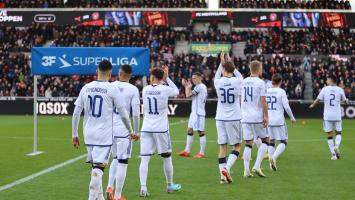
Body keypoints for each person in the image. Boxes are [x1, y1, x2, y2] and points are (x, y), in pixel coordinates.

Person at [71, 60, 133, 200]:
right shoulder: (112, 89)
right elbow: (123, 113)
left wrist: (74, 134)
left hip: (88, 134)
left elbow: (76, 113)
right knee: (98, 169)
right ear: (111, 73)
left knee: (95, 168)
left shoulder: (86, 87)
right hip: (103, 135)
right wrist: (130, 130)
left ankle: (100, 198)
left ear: (96, 71)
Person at [139, 66, 181, 197]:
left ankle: (143, 188)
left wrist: (162, 78)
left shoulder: (145, 90)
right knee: (166, 158)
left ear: (152, 77)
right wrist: (167, 78)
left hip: (146, 127)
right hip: (161, 128)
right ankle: (169, 186)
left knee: (144, 159)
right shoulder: (165, 89)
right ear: (161, 77)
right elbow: (177, 91)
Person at [106, 64, 140, 200]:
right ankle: (118, 195)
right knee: (123, 161)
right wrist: (135, 131)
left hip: (109, 128)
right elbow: (136, 114)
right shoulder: (133, 89)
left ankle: (109, 186)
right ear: (130, 75)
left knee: (115, 158)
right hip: (124, 129)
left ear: (119, 73)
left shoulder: (111, 86)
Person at [214, 52, 243, 184]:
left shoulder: (218, 82)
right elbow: (239, 75)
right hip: (234, 117)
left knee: (222, 148)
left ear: (223, 69)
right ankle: (227, 168)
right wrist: (229, 63)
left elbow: (217, 74)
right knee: (237, 146)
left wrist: (222, 62)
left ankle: (222, 177)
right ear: (233, 69)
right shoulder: (238, 81)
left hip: (220, 118)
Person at [310, 75, 348, 160]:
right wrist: (346, 100)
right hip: (337, 115)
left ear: (331, 80)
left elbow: (318, 99)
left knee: (329, 134)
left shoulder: (325, 89)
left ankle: (333, 155)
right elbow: (345, 101)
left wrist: (312, 105)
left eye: (327, 79)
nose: (326, 81)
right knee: (338, 132)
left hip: (327, 115)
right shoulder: (340, 89)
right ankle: (337, 146)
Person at [241, 60, 269, 178]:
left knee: (248, 143)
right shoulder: (260, 82)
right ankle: (257, 166)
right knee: (266, 140)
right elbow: (263, 101)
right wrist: (266, 116)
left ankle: (246, 171)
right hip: (256, 116)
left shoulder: (243, 81)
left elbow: (240, 99)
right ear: (258, 69)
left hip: (245, 116)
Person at [266, 74, 296, 171]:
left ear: (272, 81)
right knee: (284, 141)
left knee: (271, 141)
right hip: (279, 120)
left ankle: (271, 165)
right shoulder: (281, 92)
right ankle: (273, 158)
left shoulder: (267, 91)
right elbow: (286, 107)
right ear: (281, 82)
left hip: (269, 119)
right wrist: (292, 117)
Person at [178, 72, 208, 158]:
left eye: (195, 78)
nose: (193, 80)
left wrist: (187, 86)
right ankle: (187, 151)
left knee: (200, 131)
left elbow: (188, 95)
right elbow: (190, 95)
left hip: (198, 113)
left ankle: (201, 153)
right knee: (189, 130)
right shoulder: (198, 87)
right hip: (194, 112)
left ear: (200, 78)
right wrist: (188, 87)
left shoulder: (200, 87)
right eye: (192, 78)